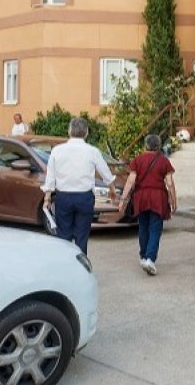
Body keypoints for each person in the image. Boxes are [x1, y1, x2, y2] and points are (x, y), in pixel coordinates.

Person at [42, 117, 115, 254]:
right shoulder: (92, 151)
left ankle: (65, 266)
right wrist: (112, 189)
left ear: (69, 131)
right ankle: (81, 266)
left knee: (64, 236)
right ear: (86, 132)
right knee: (82, 236)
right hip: (84, 198)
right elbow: (105, 172)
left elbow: (50, 177)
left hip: (63, 197)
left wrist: (47, 197)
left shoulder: (57, 150)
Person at [117, 134, 177, 275]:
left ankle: (143, 256)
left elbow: (131, 181)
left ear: (145, 146)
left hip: (141, 197)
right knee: (155, 228)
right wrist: (174, 201)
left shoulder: (138, 160)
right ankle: (150, 258)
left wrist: (123, 200)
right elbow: (169, 183)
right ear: (158, 146)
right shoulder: (163, 161)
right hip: (158, 197)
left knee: (143, 227)